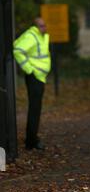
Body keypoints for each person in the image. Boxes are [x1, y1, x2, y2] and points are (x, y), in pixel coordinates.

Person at [13, 18, 51, 150]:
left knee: (36, 109)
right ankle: (31, 141)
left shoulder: (40, 36)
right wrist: (29, 69)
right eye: (41, 26)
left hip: (39, 78)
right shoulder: (32, 36)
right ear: (35, 27)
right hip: (34, 77)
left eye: (45, 25)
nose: (44, 28)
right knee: (34, 109)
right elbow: (17, 50)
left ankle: (32, 138)